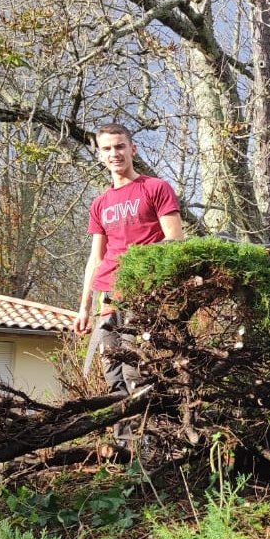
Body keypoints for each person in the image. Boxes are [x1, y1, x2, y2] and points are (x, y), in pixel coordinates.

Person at [75, 123, 183, 416]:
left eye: (120, 146)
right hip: (108, 297)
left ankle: (151, 446)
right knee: (113, 374)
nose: (114, 153)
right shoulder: (100, 204)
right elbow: (95, 259)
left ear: (132, 149)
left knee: (137, 369)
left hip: (142, 292)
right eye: (107, 148)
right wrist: (84, 308)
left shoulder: (155, 188)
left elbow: (174, 241)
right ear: (100, 155)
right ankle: (125, 450)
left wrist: (149, 276)